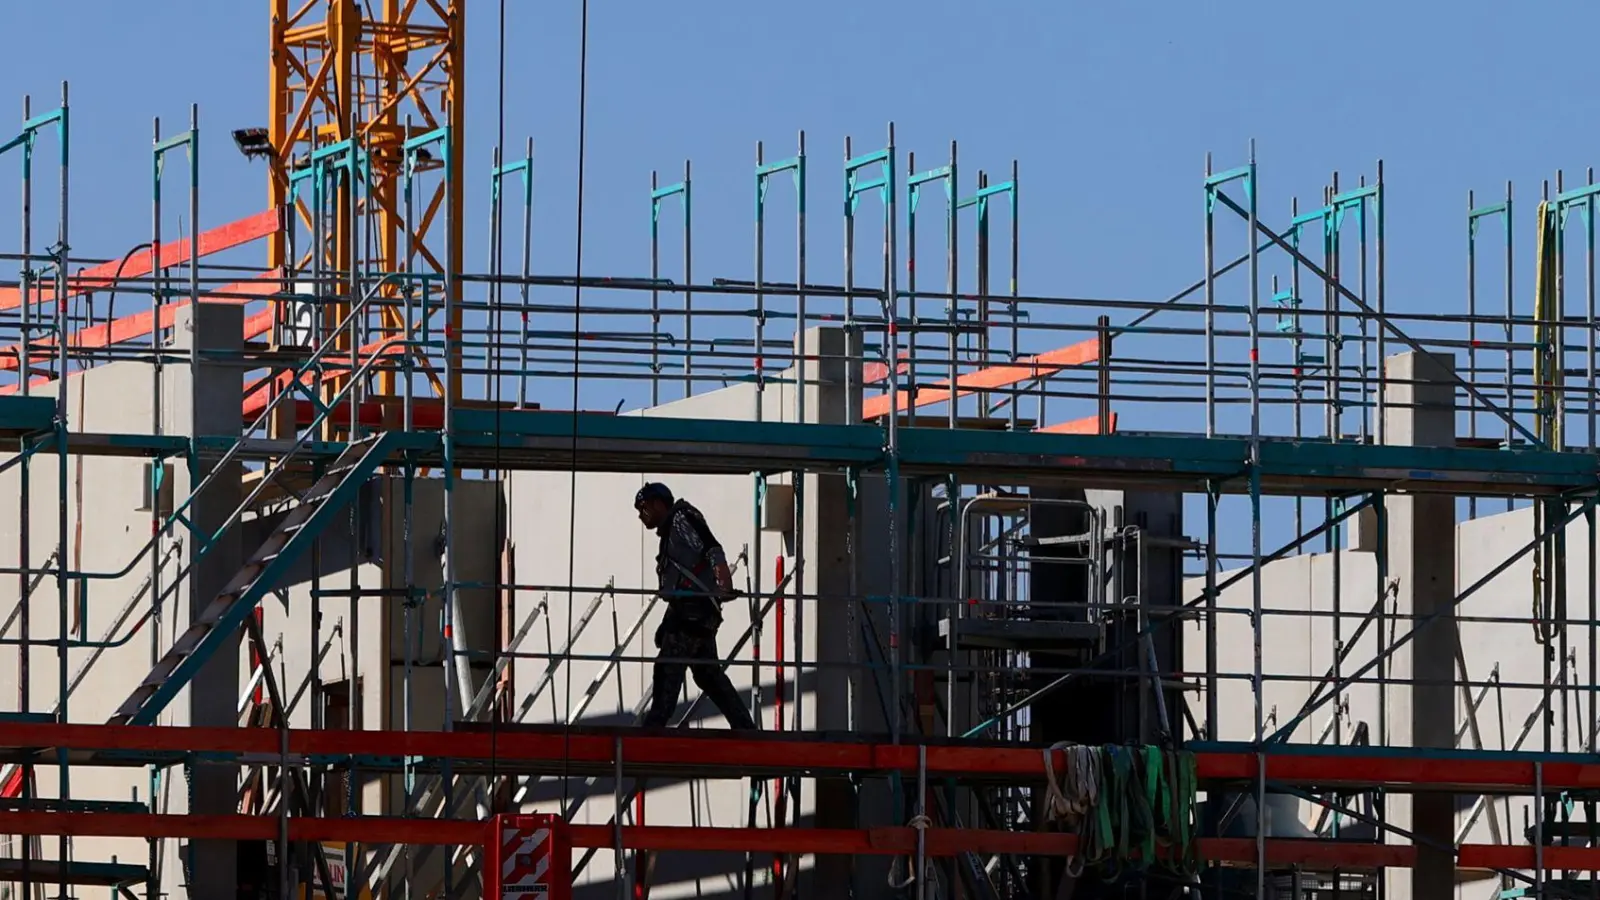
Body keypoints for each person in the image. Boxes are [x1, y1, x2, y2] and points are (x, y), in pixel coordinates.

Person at [634, 482, 757, 730]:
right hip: (694, 613)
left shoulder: (681, 520)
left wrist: (724, 583)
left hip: (692, 614)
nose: (641, 515)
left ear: (658, 504)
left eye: (644, 508)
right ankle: (745, 728)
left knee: (668, 669)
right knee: (708, 674)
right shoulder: (672, 529)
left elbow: (712, 548)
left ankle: (653, 729)